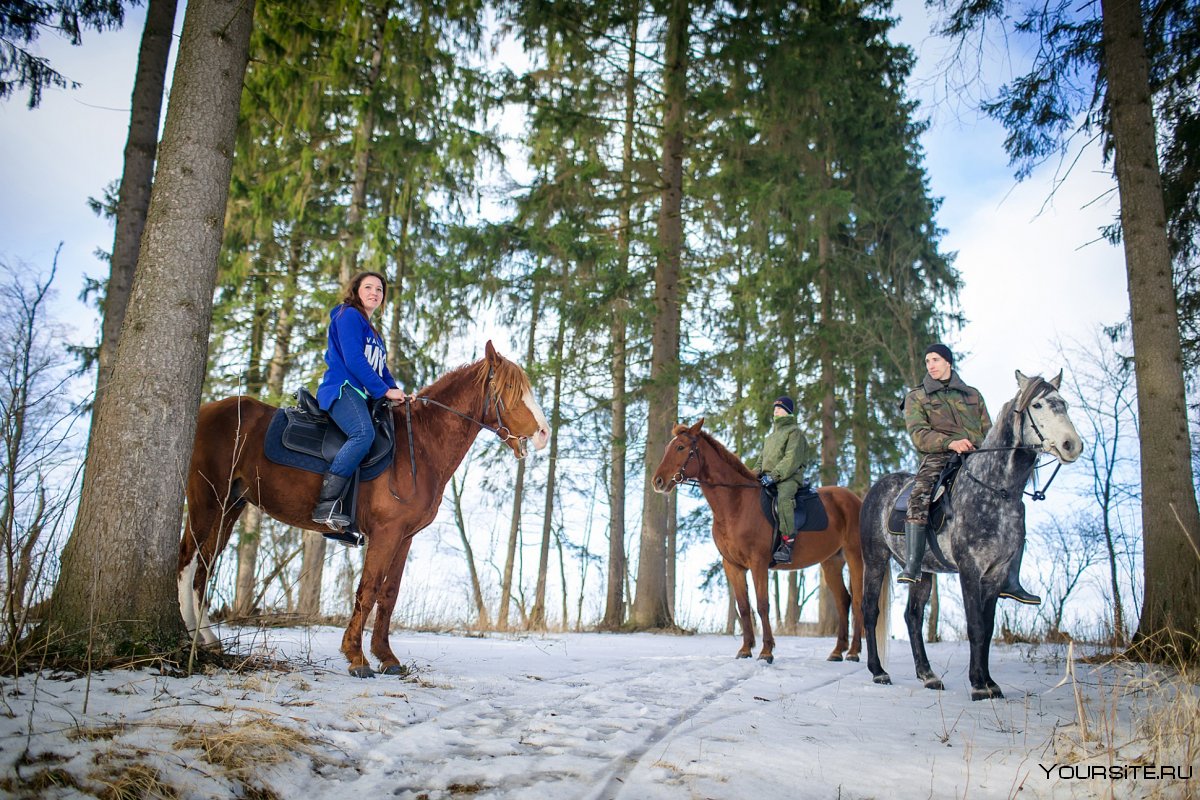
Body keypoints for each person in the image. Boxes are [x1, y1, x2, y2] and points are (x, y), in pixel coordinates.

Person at [900, 344, 1040, 604]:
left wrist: (983, 449)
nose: (930, 365)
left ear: (948, 363)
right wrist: (950, 443)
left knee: (1013, 501)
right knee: (919, 494)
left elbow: (990, 430)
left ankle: (1011, 580)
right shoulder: (916, 397)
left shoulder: (972, 395)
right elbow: (919, 434)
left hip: (978, 458)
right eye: (927, 360)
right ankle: (913, 564)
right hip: (939, 456)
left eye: (936, 359)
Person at [311, 271, 407, 530]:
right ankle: (327, 502)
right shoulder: (348, 315)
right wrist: (384, 391)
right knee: (363, 433)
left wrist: (397, 393)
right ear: (356, 290)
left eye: (379, 289)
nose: (374, 293)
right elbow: (354, 360)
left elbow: (381, 371)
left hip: (363, 395)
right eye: (368, 287)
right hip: (342, 388)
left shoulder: (374, 334)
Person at [754, 396, 809, 565]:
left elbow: (791, 459)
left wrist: (774, 476)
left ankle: (787, 543)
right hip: (768, 478)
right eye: (775, 407)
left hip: (788, 478)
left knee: (784, 498)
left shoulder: (795, 433)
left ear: (788, 411)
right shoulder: (770, 438)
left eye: (780, 407)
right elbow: (760, 460)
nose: (775, 410)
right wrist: (753, 474)